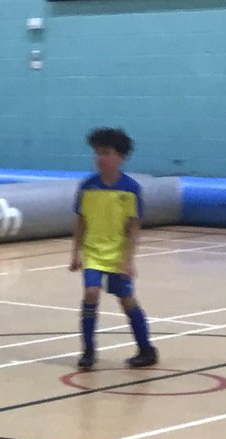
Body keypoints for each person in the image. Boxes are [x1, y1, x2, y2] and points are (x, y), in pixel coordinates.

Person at [69, 127, 158, 370]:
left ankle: (146, 348)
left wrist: (128, 260)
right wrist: (75, 252)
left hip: (118, 255)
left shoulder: (130, 189)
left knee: (126, 300)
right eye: (97, 153)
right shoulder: (88, 187)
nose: (100, 158)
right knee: (91, 293)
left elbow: (134, 226)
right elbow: (81, 221)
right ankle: (88, 351)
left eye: (106, 153)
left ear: (119, 156)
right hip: (94, 253)